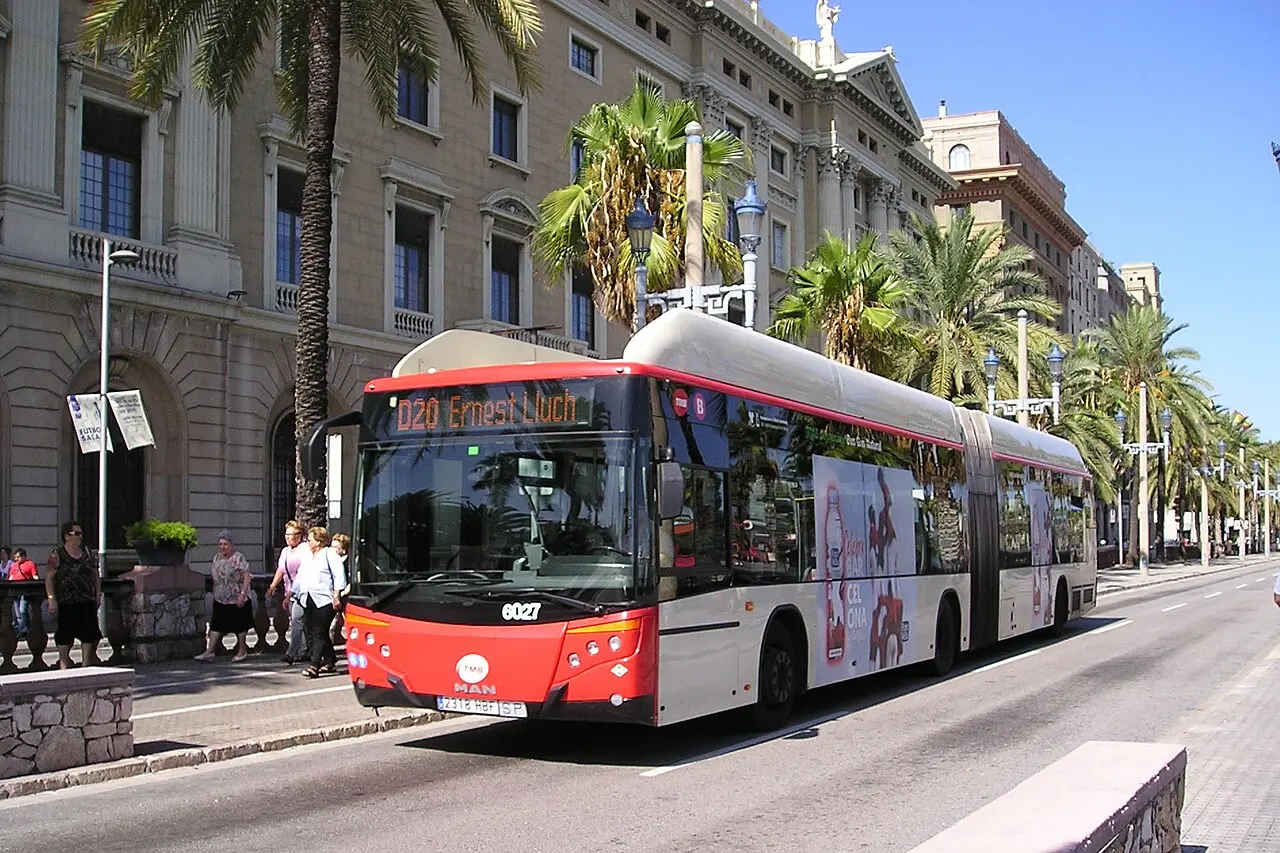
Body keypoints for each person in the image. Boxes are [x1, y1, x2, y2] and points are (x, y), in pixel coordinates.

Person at [44, 521, 103, 670]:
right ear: (66, 536)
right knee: (64, 633)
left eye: (80, 533)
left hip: (86, 599)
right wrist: (52, 599)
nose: (79, 537)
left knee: (88, 633)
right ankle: (63, 664)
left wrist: (97, 594)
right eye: (76, 533)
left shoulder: (88, 553)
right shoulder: (57, 554)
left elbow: (95, 575)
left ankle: (85, 664)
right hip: (66, 600)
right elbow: (49, 578)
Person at [293, 527, 347, 679]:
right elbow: (300, 575)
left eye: (310, 539)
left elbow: (339, 574)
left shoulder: (329, 554)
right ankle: (330, 660)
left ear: (318, 541)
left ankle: (314, 665)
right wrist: (292, 592)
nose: (308, 542)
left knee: (319, 630)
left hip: (325, 599)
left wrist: (336, 595)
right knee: (310, 628)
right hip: (308, 597)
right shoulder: (307, 556)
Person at [195, 531, 253, 662]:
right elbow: (216, 578)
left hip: (236, 596)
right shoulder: (217, 558)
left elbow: (246, 577)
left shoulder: (238, 558)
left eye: (225, 544)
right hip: (221, 597)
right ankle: (210, 651)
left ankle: (242, 651)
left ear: (231, 545)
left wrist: (243, 595)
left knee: (240, 625)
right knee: (215, 624)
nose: (222, 547)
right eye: (220, 544)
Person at [266, 520, 309, 664]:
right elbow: (281, 569)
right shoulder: (285, 551)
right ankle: (304, 650)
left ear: (299, 536)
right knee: (298, 621)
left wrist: (291, 593)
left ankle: (291, 652)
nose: (287, 537)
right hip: (289, 590)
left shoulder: (305, 549)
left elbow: (304, 572)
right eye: (286, 534)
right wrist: (273, 585)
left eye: (291, 534)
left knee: (296, 621)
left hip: (302, 591)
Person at [7, 548, 39, 638]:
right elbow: (11, 577)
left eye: (18, 557)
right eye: (15, 557)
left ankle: (27, 628)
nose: (16, 559)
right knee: (17, 613)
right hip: (15, 591)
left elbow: (34, 576)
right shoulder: (14, 566)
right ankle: (22, 630)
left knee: (22, 610)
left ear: (24, 556)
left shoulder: (30, 564)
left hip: (25, 590)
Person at [328, 534, 351, 647]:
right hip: (335, 594)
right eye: (331, 546)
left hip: (345, 594)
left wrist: (346, 591)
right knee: (333, 622)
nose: (332, 549)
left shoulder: (349, 562)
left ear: (343, 548)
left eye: (335, 547)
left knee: (345, 620)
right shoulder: (331, 560)